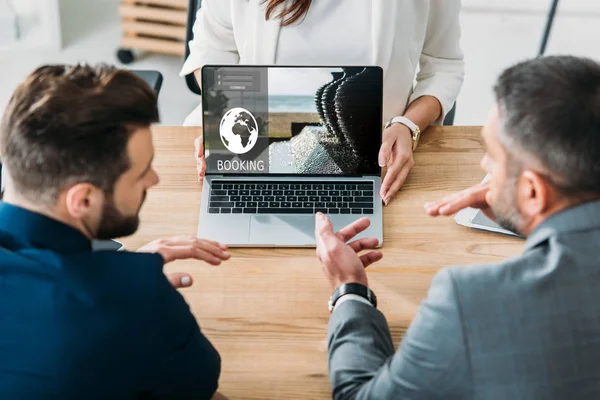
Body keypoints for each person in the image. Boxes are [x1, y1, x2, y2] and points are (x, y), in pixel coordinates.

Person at [314, 55, 600, 399]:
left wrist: (350, 290)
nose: (483, 165)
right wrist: (527, 214)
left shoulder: (471, 301)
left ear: (533, 191)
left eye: (493, 156)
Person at [0, 64, 231, 399]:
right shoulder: (135, 300)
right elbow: (200, 382)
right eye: (141, 173)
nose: (154, 179)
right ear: (84, 199)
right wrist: (133, 289)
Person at [181, 0, 465, 204]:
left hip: (375, 162)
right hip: (258, 154)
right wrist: (221, 120)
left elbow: (443, 65)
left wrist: (407, 125)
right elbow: (212, 49)